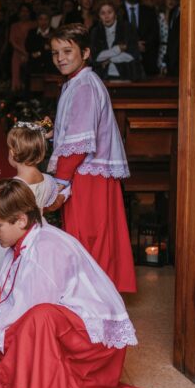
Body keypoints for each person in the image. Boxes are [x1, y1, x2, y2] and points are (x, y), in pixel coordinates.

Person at [0, 180, 175, 388]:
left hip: (92, 342)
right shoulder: (25, 241)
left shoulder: (46, 248)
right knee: (5, 328)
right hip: (67, 325)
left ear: (20, 220)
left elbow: (29, 312)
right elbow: (15, 300)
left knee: (37, 320)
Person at [47, 24, 137, 293]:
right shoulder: (79, 81)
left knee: (86, 237)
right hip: (89, 172)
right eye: (55, 53)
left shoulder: (84, 85)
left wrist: (60, 181)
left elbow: (78, 143)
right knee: (94, 235)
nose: (60, 58)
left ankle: (90, 295)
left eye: (67, 51)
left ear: (85, 52)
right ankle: (95, 292)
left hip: (86, 174)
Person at [0, 123, 67, 286]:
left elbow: (2, 211)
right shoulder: (48, 180)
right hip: (38, 231)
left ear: (12, 153)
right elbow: (47, 203)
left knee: (9, 276)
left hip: (15, 234)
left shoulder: (15, 186)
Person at [89, 0, 143, 81]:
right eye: (103, 13)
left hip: (127, 76)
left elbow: (132, 54)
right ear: (98, 17)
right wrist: (117, 49)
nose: (106, 16)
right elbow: (96, 57)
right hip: (103, 77)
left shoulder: (127, 28)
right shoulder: (95, 31)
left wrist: (109, 59)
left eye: (110, 12)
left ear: (116, 14)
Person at [121, 0, 160, 77]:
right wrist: (133, 45)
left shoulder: (149, 11)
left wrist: (144, 45)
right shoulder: (117, 11)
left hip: (146, 62)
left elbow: (155, 34)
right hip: (123, 62)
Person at [8, 3, 36, 92]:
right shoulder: (14, 26)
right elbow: (12, 40)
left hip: (31, 53)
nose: (24, 13)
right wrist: (23, 52)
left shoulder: (34, 24)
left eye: (26, 11)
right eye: (22, 11)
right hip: (17, 53)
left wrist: (27, 53)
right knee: (16, 76)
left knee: (29, 77)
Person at [23, 10, 54, 75]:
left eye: (46, 19)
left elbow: (52, 49)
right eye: (41, 19)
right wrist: (43, 48)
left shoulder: (54, 32)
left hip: (50, 67)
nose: (43, 22)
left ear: (50, 20)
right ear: (37, 20)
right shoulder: (32, 32)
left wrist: (39, 52)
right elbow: (28, 46)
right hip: (34, 66)